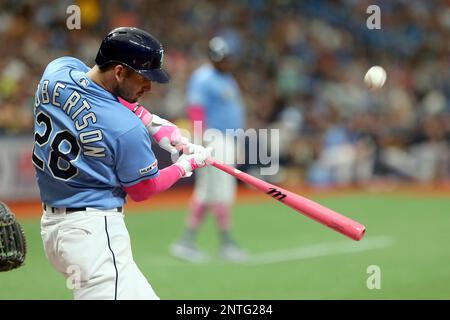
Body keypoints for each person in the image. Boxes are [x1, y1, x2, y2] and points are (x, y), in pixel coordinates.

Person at [33, 27, 211, 300]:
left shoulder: (55, 72)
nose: (148, 86)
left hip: (54, 229)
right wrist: (186, 165)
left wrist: (149, 119)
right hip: (93, 235)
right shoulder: (125, 129)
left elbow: (90, 87)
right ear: (119, 72)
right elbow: (143, 190)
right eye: (143, 77)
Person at [169, 36, 248, 263]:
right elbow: (196, 109)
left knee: (207, 192)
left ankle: (186, 241)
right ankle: (226, 244)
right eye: (222, 58)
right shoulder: (204, 77)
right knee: (221, 191)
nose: (225, 62)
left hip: (226, 139)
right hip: (213, 138)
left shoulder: (227, 78)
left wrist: (238, 142)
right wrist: (201, 140)